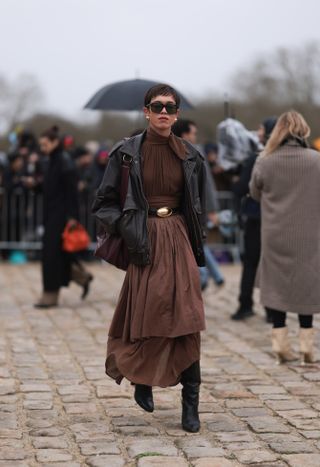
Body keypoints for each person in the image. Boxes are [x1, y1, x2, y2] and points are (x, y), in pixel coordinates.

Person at [92, 84, 207, 432]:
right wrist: (128, 225)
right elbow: (103, 205)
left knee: (187, 320)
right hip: (143, 242)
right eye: (157, 106)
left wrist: (193, 237)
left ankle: (191, 404)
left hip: (179, 239)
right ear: (145, 111)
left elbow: (198, 205)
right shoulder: (125, 154)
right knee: (149, 315)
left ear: (177, 114)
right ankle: (142, 378)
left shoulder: (190, 155)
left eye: (171, 107)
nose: (164, 112)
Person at [250, 111, 319, 364]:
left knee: (276, 285)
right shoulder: (316, 160)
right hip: (310, 235)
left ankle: (280, 344)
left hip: (274, 233)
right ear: (303, 130)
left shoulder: (265, 161)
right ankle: (306, 345)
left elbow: (254, 193)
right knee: (307, 285)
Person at [35, 126, 93, 308]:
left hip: (61, 217)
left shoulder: (64, 162)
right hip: (51, 214)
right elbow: (49, 187)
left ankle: (50, 295)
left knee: (53, 256)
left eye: (45, 144)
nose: (42, 148)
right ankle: (83, 277)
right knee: (59, 255)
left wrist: (72, 218)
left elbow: (71, 193)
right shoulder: (51, 161)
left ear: (54, 142)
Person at [231, 117, 277, 321]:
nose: (257, 133)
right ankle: (273, 309)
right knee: (271, 264)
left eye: (260, 129)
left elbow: (242, 189)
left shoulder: (257, 158)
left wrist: (236, 180)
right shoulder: (280, 156)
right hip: (277, 219)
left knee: (251, 263)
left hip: (256, 217)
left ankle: (245, 304)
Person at [172, 119, 224, 289]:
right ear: (185, 134)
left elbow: (206, 183)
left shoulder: (196, 152)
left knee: (196, 244)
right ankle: (207, 277)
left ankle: (203, 277)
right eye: (194, 133)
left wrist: (212, 209)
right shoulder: (170, 150)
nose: (195, 136)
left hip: (195, 210)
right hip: (178, 210)